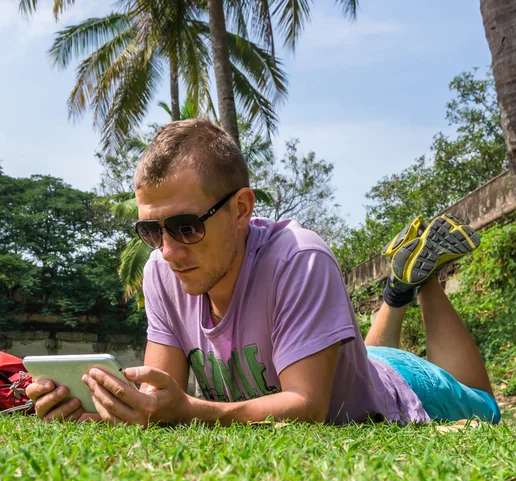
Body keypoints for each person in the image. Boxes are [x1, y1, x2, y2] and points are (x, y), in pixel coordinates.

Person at [27, 119, 501, 427]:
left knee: (486, 405)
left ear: (240, 209)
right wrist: (106, 408)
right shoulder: (163, 270)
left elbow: (308, 406)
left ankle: (426, 286)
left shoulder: (299, 258)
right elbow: (159, 393)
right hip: (360, 364)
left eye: (186, 227)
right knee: (365, 360)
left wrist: (193, 411)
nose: (168, 250)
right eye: (151, 231)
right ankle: (396, 290)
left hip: (404, 387)